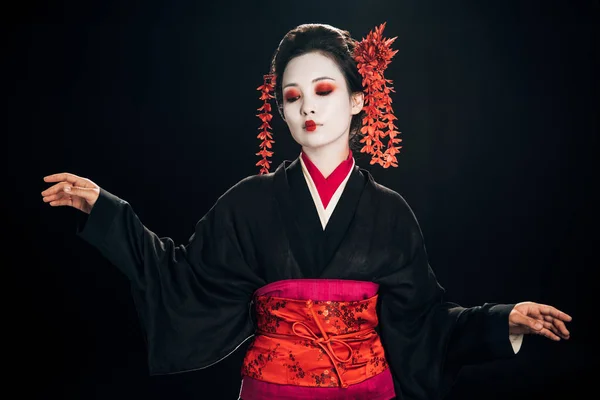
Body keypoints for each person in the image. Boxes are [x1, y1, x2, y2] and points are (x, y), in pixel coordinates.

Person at [41, 23, 571, 400]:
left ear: (360, 100)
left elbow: (424, 324)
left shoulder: (390, 214)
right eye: (292, 97)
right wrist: (106, 210)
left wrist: (504, 322)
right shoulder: (248, 202)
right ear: (281, 111)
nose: (307, 107)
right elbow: (181, 278)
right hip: (273, 392)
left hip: (367, 391)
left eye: (322, 90)